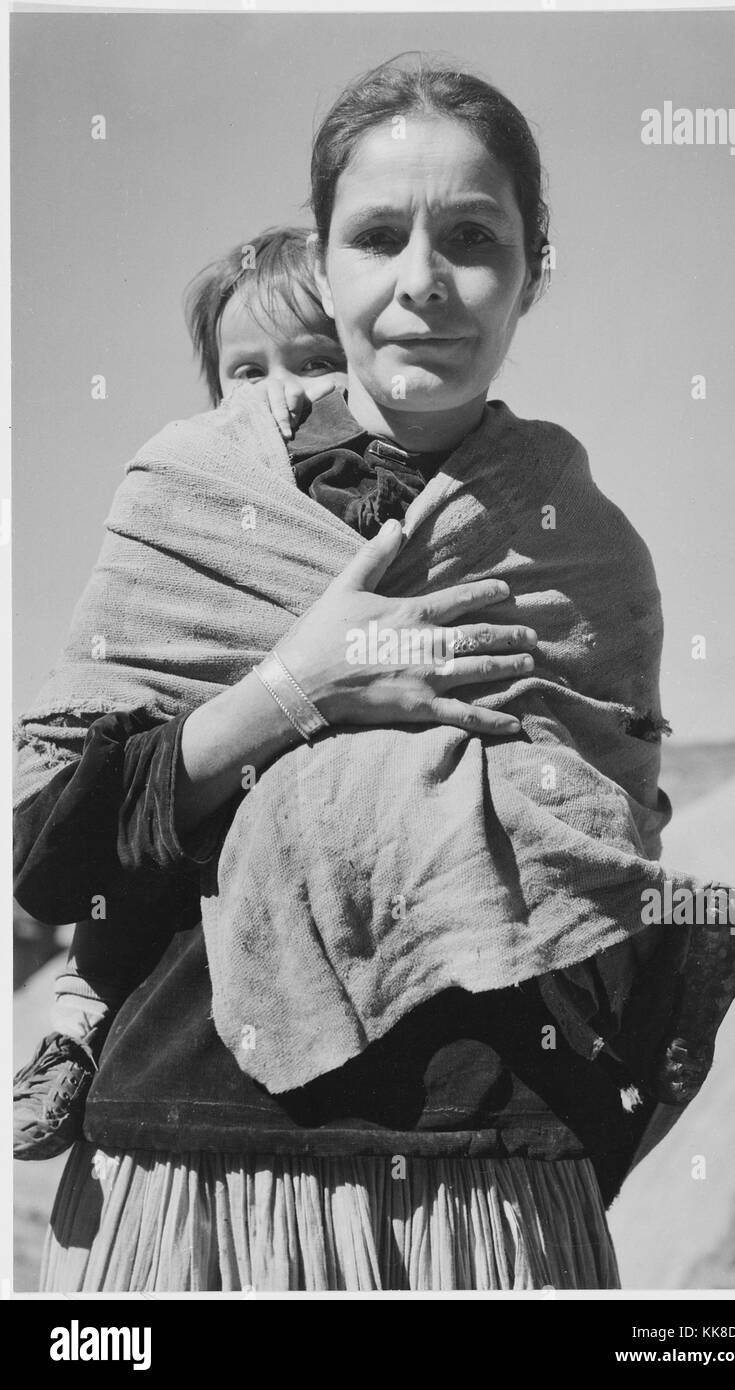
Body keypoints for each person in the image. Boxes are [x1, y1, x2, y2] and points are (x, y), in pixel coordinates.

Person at [13, 58, 735, 1292]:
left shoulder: (583, 550)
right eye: (376, 236)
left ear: (533, 270)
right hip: (194, 1188)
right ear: (329, 258)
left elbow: (604, 872)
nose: (421, 281)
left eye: (471, 237)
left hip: (495, 1191)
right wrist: (299, 686)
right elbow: (54, 852)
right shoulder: (189, 497)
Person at [13, 226, 347, 1160]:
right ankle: (77, 1034)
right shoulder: (186, 493)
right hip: (178, 811)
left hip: (324, 843)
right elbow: (117, 670)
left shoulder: (400, 498)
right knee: (141, 867)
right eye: (245, 370)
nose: (282, 390)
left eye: (320, 359)